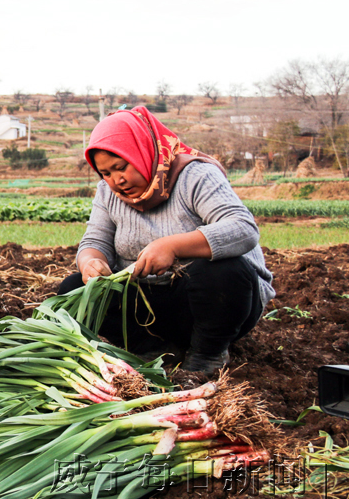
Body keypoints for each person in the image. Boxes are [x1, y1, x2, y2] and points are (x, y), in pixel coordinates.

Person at [58, 106, 275, 373]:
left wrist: (171, 246)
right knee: (73, 289)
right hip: (149, 310)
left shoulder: (195, 176)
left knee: (222, 269)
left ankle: (207, 355)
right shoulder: (108, 194)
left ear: (143, 151)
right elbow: (95, 241)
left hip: (214, 305)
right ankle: (152, 349)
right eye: (106, 173)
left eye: (121, 166)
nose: (117, 180)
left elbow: (243, 228)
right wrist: (91, 262)